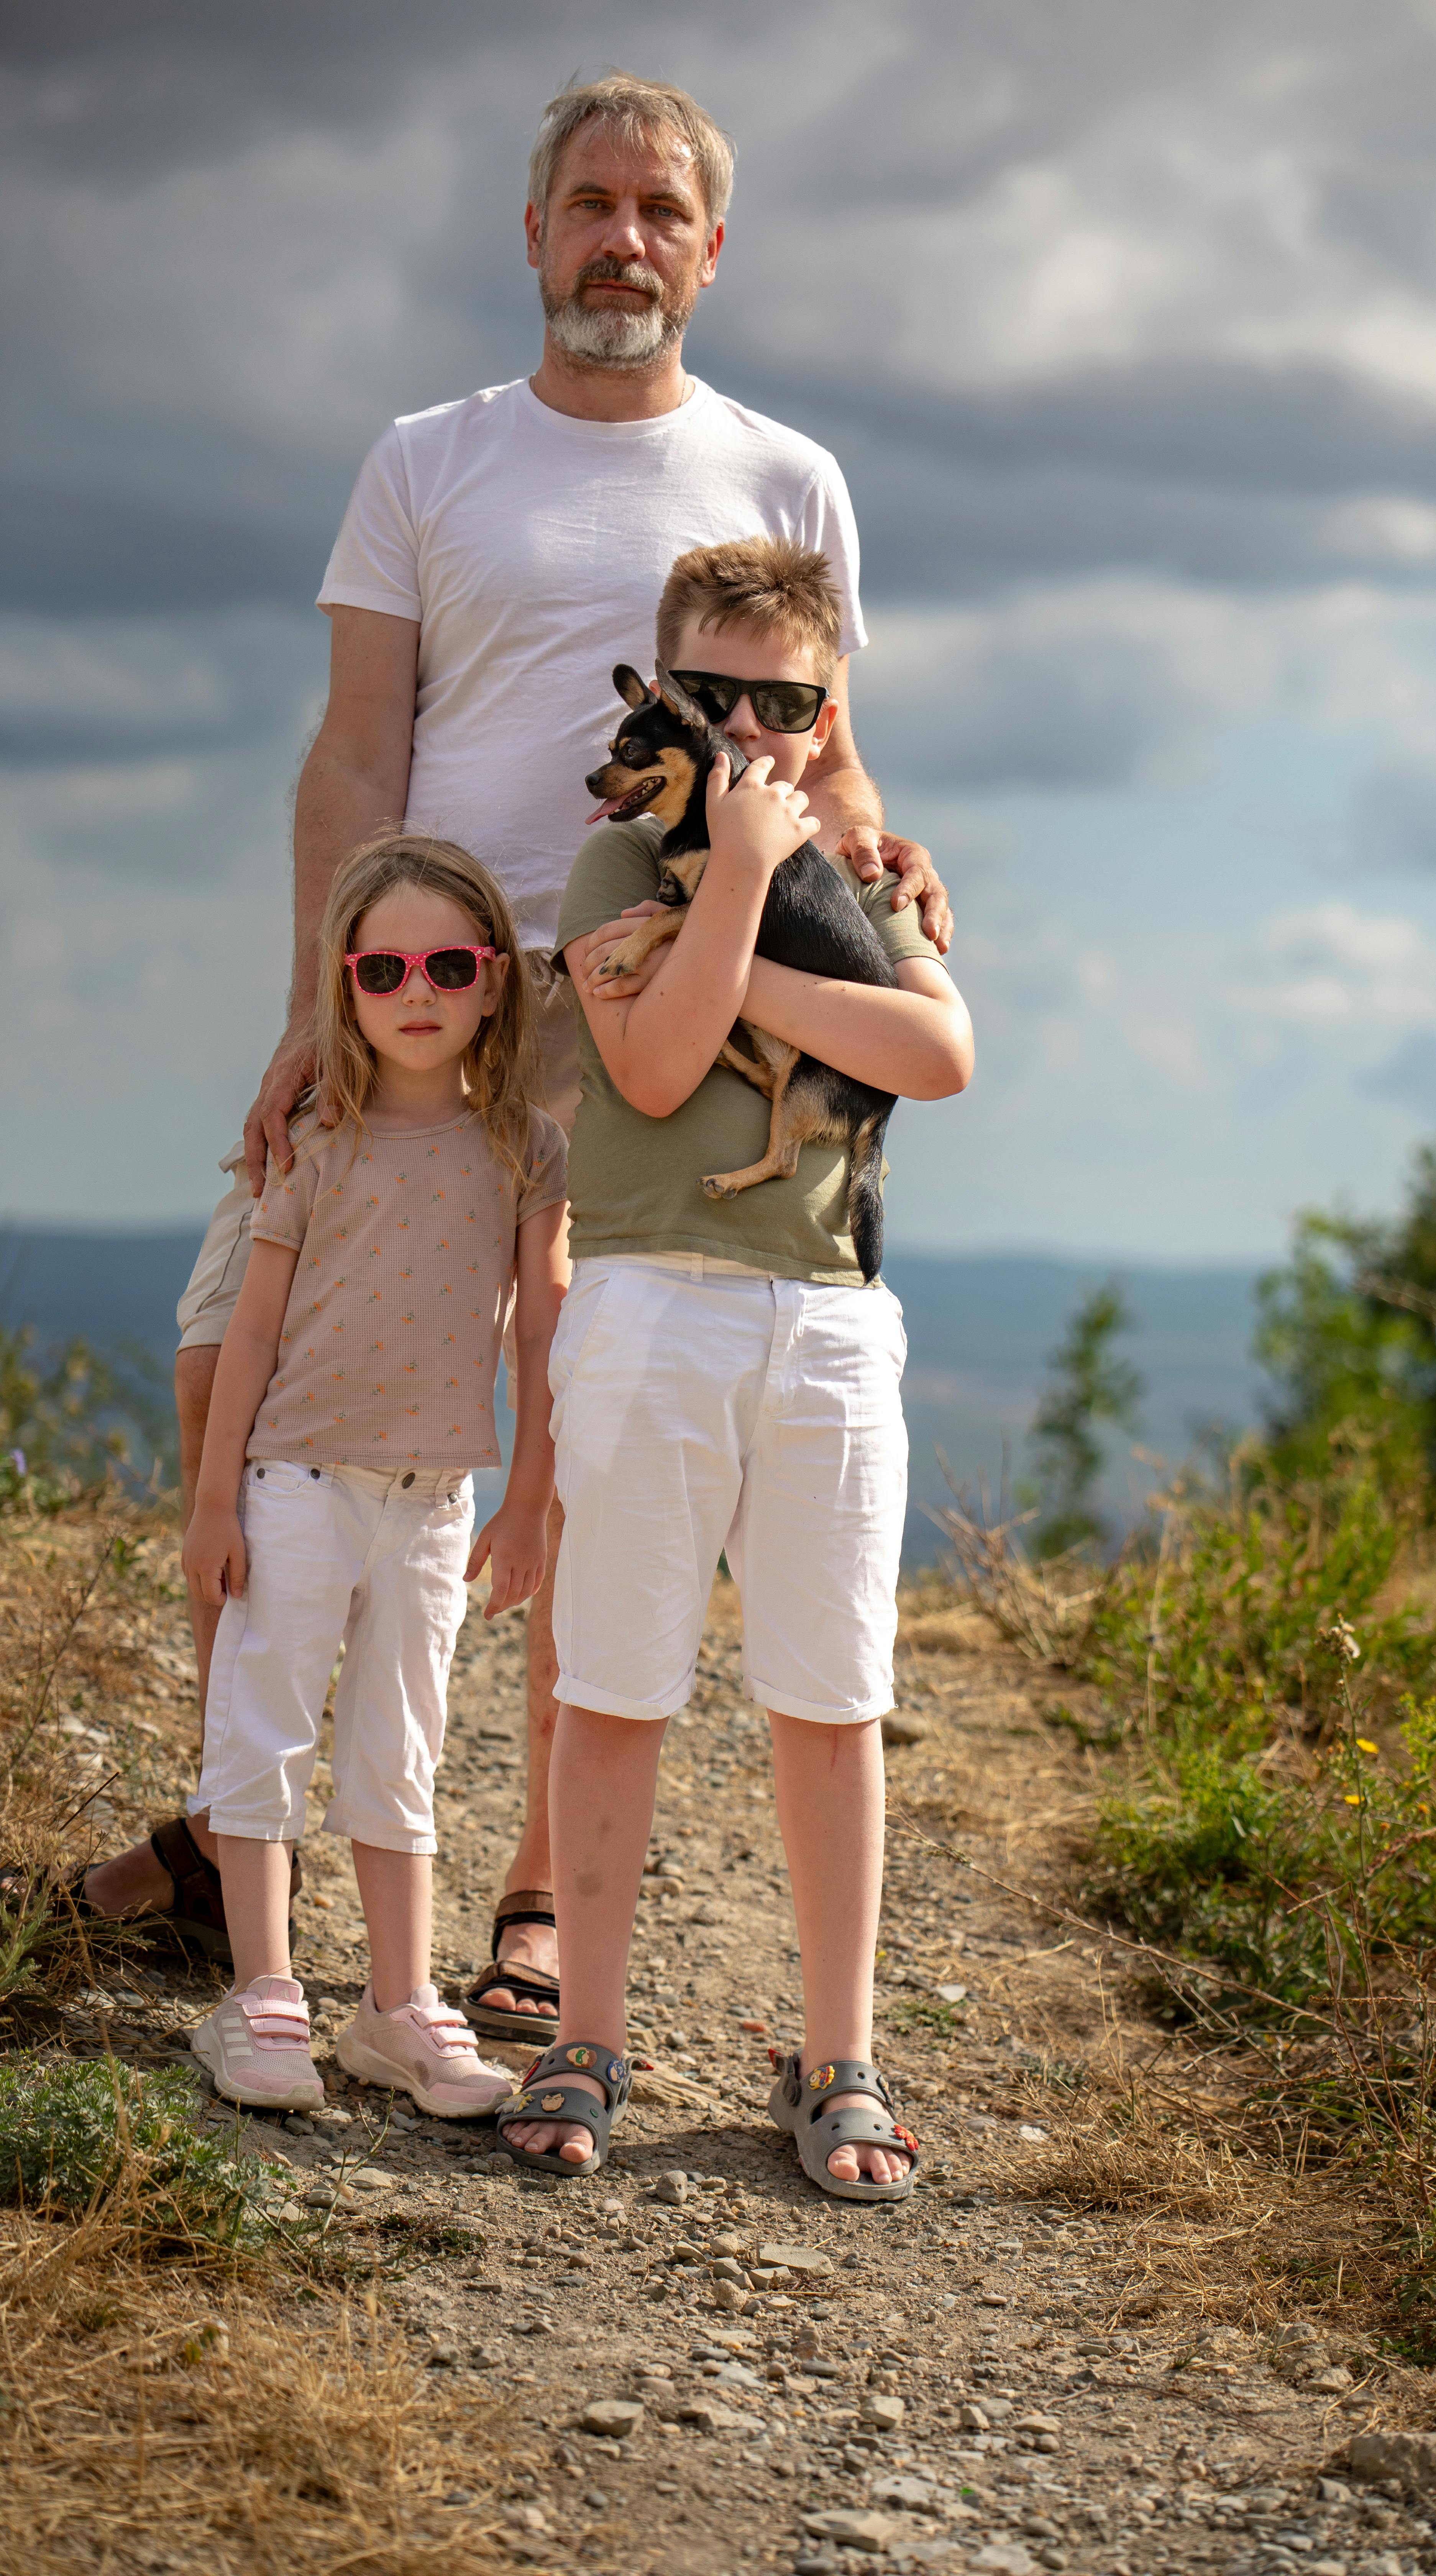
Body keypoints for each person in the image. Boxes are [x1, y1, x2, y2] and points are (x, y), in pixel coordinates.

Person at [80, 72, 952, 2027]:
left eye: (661, 211)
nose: (621, 239)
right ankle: (242, 1827)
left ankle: (535, 1899)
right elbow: (353, 749)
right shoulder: (425, 459)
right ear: (534, 231)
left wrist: (891, 860)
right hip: (426, 972)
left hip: (665, 981)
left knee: (585, 1422)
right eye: (590, 203)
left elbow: (829, 753)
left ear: (711, 251)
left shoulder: (788, 475)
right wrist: (319, 1001)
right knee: (238, 1360)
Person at [497, 536, 973, 2199]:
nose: (752, 729)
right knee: (616, 1683)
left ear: (829, 715)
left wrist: (752, 907)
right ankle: (588, 2037)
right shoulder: (615, 867)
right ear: (672, 698)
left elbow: (939, 1051)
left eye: (789, 703)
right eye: (716, 696)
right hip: (651, 1305)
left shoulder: (866, 876)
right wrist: (744, 883)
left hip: (828, 1315)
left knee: (833, 1698)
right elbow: (651, 1066)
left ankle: (840, 2057)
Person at [180, 835, 568, 2114]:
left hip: (433, 1505)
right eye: (384, 969)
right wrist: (214, 1500)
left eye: (449, 966)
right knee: (264, 1728)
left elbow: (543, 1334)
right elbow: (250, 1332)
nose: (417, 992)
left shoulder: (525, 1148)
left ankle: (397, 2008)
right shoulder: (316, 1141)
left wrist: (528, 1499)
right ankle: (263, 1994)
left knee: (401, 1749)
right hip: (293, 1485)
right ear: (344, 986)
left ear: (494, 981)